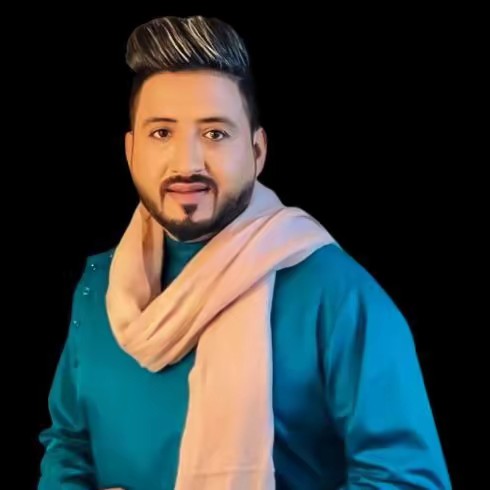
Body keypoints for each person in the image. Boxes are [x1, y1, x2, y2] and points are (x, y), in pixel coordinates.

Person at [38, 15, 451, 490]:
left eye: (215, 133)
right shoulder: (100, 287)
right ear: (130, 151)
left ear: (257, 151)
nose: (187, 162)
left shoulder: (334, 291)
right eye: (162, 133)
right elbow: (69, 444)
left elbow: (406, 479)